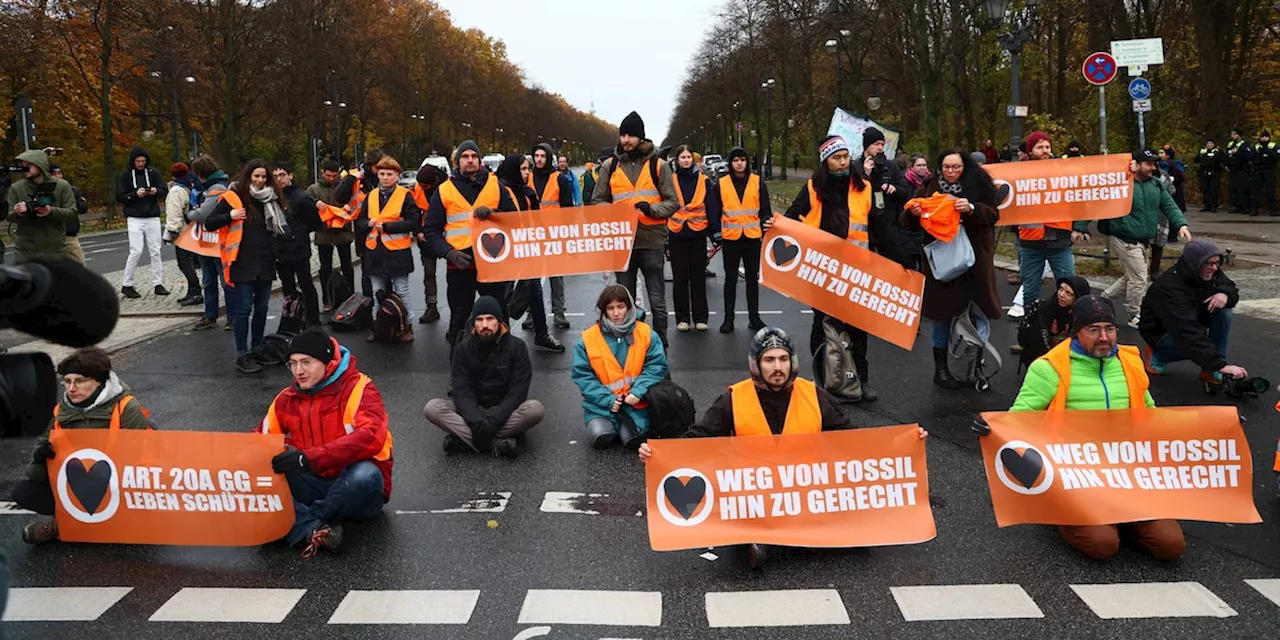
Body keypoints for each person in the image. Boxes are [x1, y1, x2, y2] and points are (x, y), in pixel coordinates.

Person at [638, 327, 926, 568]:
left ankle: (791, 537)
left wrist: (901, 444)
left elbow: (852, 441)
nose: (777, 367)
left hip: (803, 493)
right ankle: (764, 538)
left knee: (855, 538)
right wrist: (660, 455)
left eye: (783, 359)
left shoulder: (813, 394)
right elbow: (698, 439)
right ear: (756, 364)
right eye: (769, 360)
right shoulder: (733, 398)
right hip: (753, 496)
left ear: (792, 362)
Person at [1004, 295, 1184, 562]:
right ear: (1075, 332)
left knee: (1171, 546)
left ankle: (1125, 522)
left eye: (1110, 329)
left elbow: (1150, 413)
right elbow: (1018, 420)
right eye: (1094, 329)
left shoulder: (1130, 362)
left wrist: (1217, 428)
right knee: (1102, 545)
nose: (1104, 337)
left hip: (1128, 473)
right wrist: (991, 428)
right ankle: (1065, 519)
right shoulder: (1049, 368)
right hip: (1076, 477)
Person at [782, 135, 905, 401]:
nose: (843, 162)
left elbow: (881, 227)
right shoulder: (814, 189)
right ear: (826, 160)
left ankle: (863, 379)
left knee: (858, 328)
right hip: (823, 271)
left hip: (856, 272)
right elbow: (792, 219)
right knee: (822, 325)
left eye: (846, 156)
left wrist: (901, 261)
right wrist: (776, 228)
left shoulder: (864, 188)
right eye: (837, 157)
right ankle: (823, 380)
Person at [258, 329, 393, 558]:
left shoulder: (360, 388)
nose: (298, 371)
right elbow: (260, 440)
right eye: (292, 364)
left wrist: (309, 458)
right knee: (264, 470)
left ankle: (304, 523)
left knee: (365, 474)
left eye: (306, 363)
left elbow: (370, 437)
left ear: (327, 362)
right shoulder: (286, 398)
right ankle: (315, 528)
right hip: (315, 482)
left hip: (356, 490)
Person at [12, 348, 152, 545]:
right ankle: (71, 522)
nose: (71, 389)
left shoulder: (126, 408)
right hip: (79, 482)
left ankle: (74, 525)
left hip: (118, 483)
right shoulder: (60, 412)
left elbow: (138, 463)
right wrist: (40, 458)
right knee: (24, 492)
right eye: (67, 382)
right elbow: (34, 473)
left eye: (80, 381)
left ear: (100, 381)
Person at [903, 148, 1001, 389]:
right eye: (946, 167)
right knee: (942, 316)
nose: (951, 172)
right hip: (942, 264)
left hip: (974, 262)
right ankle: (941, 369)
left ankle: (972, 366)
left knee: (976, 314)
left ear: (964, 167)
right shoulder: (929, 187)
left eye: (956, 167)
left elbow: (992, 215)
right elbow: (907, 222)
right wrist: (914, 214)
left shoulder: (979, 184)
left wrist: (972, 209)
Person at [590, 111, 680, 345]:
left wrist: (651, 210)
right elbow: (597, 201)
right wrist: (614, 212)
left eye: (631, 135)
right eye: (623, 135)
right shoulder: (610, 166)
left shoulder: (658, 166)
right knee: (623, 304)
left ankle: (660, 351)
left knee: (657, 303)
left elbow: (673, 202)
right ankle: (630, 350)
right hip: (623, 244)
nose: (626, 140)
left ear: (641, 137)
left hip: (651, 242)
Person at [423, 140, 518, 346]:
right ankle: (459, 366)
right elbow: (431, 230)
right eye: (465, 157)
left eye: (473, 156)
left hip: (492, 264)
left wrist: (495, 214)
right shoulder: (444, 190)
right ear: (458, 162)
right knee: (459, 318)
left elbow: (514, 219)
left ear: (480, 160)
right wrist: (449, 253)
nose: (470, 160)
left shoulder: (495, 185)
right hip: (459, 264)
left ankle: (501, 362)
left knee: (498, 315)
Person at [424, 295, 544, 457]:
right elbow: (461, 390)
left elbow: (518, 391)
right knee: (432, 408)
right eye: (479, 320)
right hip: (473, 411)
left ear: (499, 321)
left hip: (505, 411)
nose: (485, 325)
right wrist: (476, 421)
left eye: (490, 319)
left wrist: (493, 421)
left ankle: (468, 440)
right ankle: (496, 442)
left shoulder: (517, 347)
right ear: (474, 323)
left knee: (535, 409)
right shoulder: (463, 349)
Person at [1098, 149, 1192, 329]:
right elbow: (1100, 194)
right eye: (1148, 163)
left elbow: (1169, 205)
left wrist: (1181, 224)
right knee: (1140, 277)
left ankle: (1104, 299)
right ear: (1136, 164)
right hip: (1125, 238)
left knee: (1132, 276)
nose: (1153, 167)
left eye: (1154, 163)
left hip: (1144, 240)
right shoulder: (1121, 182)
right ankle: (1134, 314)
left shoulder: (1156, 185)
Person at [204, 159, 281, 373]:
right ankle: (241, 354)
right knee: (243, 309)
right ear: (248, 176)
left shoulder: (270, 199)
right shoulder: (233, 197)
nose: (260, 180)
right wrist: (230, 215)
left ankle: (257, 348)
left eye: (264, 177)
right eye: (256, 176)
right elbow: (210, 222)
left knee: (263, 308)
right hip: (241, 262)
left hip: (265, 262)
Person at [572, 284, 668, 449]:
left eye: (620, 307)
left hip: (636, 404)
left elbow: (656, 366)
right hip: (601, 405)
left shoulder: (645, 333)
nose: (616, 313)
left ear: (629, 307)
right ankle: (613, 427)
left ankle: (626, 429)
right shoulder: (588, 339)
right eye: (610, 308)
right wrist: (607, 400)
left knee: (630, 441)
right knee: (601, 435)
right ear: (603, 310)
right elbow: (583, 376)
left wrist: (638, 391)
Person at [1139, 239, 1246, 383]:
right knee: (1193, 344)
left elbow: (1230, 287)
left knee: (1223, 310)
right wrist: (1220, 365)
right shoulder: (1169, 287)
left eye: (1217, 263)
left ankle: (1210, 369)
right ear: (1195, 263)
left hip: (1191, 318)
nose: (1214, 268)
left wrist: (1225, 294)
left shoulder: (1209, 271)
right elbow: (1187, 331)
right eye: (1209, 263)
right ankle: (1158, 355)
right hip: (1162, 331)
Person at [1009, 132, 1090, 319]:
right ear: (1030, 151)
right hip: (1031, 243)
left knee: (1070, 286)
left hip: (1060, 242)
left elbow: (1081, 198)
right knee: (1029, 290)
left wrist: (1079, 227)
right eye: (1039, 147)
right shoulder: (1016, 173)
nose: (1045, 150)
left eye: (1047, 146)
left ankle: (1068, 327)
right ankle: (1030, 332)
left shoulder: (1062, 170)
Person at [494, 153, 565, 352]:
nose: (527, 173)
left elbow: (536, 220)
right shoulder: (498, 190)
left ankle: (541, 334)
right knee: (504, 292)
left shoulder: (528, 193)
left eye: (528, 169)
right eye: (524, 169)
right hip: (505, 250)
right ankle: (503, 336)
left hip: (527, 247)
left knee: (534, 290)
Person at [354, 155, 420, 340]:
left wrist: (388, 226)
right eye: (382, 173)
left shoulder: (405, 196)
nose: (384, 177)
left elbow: (414, 222)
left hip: (398, 252)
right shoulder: (371, 196)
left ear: (397, 176)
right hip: (376, 251)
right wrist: (367, 223)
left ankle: (407, 326)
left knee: (402, 290)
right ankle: (379, 327)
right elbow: (359, 221)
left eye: (389, 174)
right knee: (377, 292)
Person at [714, 146, 771, 333]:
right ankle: (728, 319)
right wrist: (716, 233)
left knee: (752, 281)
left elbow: (765, 210)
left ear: (747, 162)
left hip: (752, 238)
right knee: (730, 280)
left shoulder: (757, 182)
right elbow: (715, 211)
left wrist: (766, 226)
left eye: (742, 160)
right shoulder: (721, 183)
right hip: (730, 239)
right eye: (736, 160)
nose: (739, 163)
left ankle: (754, 317)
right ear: (731, 163)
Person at [668, 144, 717, 332]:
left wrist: (715, 233)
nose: (686, 160)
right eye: (683, 157)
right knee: (679, 278)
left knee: (698, 277)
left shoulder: (704, 181)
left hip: (698, 233)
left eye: (689, 157)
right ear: (677, 160)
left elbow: (710, 205)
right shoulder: (670, 180)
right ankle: (682, 318)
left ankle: (700, 318)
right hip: (676, 233)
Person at [527, 143, 575, 331]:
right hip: (532, 234)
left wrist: (567, 234)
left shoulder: (560, 179)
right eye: (536, 155)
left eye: (542, 156)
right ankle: (532, 314)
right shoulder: (527, 178)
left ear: (548, 158)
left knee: (556, 277)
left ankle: (559, 314)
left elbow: (567, 208)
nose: (538, 159)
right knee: (533, 278)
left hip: (554, 235)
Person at [271, 162, 324, 328]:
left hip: (298, 249)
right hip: (280, 250)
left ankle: (314, 320)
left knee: (306, 283)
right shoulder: (272, 197)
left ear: (290, 176)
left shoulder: (300, 197)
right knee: (287, 288)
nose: (279, 179)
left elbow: (316, 223)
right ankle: (292, 317)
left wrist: (299, 232)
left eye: (282, 175)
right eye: (276, 176)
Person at [3, 149, 78, 262]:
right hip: (26, 251)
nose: (25, 168)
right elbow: (8, 215)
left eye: (29, 165)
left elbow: (72, 212)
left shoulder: (61, 185)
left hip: (55, 250)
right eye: (22, 165)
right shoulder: (16, 188)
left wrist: (50, 211)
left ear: (40, 164)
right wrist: (18, 213)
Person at [116, 146, 168, 298]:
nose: (141, 164)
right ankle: (127, 284)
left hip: (152, 216)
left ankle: (158, 283)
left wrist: (154, 191)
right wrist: (134, 195)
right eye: (138, 161)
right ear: (133, 161)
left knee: (155, 250)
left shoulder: (153, 173)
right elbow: (120, 196)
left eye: (143, 161)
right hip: (134, 217)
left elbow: (163, 189)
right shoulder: (125, 175)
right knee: (136, 251)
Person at [187, 155, 232, 330]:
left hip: (216, 242)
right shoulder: (210, 187)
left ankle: (232, 317)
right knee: (208, 280)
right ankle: (210, 315)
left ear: (201, 173)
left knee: (223, 280)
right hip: (207, 242)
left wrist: (190, 213)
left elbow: (202, 214)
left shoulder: (217, 188)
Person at [861, 128, 916, 268]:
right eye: (876, 144)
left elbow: (905, 191)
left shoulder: (891, 166)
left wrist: (895, 189)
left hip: (889, 223)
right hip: (866, 225)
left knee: (897, 264)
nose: (880, 148)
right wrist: (865, 175)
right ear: (866, 145)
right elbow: (853, 194)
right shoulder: (856, 167)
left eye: (882, 144)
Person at [309, 159, 356, 312]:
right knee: (325, 268)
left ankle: (350, 296)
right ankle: (327, 299)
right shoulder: (313, 189)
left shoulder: (345, 187)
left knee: (347, 267)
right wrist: (315, 202)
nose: (331, 178)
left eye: (334, 176)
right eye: (328, 175)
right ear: (322, 173)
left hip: (343, 233)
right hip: (323, 234)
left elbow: (356, 200)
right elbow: (305, 202)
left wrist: (350, 207)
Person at [336, 151, 384, 298]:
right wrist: (350, 179)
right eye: (378, 168)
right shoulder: (356, 178)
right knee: (367, 271)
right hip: (364, 230)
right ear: (370, 166)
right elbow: (340, 197)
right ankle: (369, 304)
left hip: (384, 230)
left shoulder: (383, 177)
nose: (382, 172)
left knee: (385, 272)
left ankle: (385, 306)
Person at [1016, 276, 1090, 365]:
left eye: (1068, 293)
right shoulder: (1046, 307)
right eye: (1060, 289)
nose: (1061, 294)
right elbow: (1042, 336)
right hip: (1041, 350)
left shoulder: (1082, 311)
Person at [164, 162, 204, 306]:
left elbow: (174, 213)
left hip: (181, 231)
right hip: (191, 229)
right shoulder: (189, 186)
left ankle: (195, 292)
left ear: (173, 175)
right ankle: (192, 291)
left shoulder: (176, 191)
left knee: (185, 264)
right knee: (189, 262)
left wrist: (172, 232)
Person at [410, 164, 444, 324]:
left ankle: (462, 308)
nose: (421, 188)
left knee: (458, 275)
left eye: (425, 185)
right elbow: (414, 212)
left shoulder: (447, 188)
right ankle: (431, 307)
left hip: (447, 237)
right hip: (426, 238)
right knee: (429, 274)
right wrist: (418, 231)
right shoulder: (418, 189)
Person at [49, 164, 88, 264]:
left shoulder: (72, 190)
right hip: (53, 235)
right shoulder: (46, 192)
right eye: (54, 174)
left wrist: (75, 201)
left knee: (79, 263)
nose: (58, 176)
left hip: (69, 234)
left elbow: (82, 208)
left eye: (59, 173)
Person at [1225, 128, 1253, 214]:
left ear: (1239, 135)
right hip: (1232, 170)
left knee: (1243, 189)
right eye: (1231, 134)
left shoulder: (1244, 144)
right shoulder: (1230, 144)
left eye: (1234, 134)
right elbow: (1227, 156)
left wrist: (1237, 153)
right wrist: (1226, 165)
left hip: (1242, 170)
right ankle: (1237, 206)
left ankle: (1246, 207)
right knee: (1233, 189)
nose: (1232, 136)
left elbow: (1249, 156)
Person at [1252, 129, 1278, 217]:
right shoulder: (1256, 146)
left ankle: (1273, 209)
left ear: (1269, 137)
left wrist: (1266, 151)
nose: (1264, 138)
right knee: (1256, 190)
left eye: (1266, 137)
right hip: (1258, 170)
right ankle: (1255, 209)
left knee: (1270, 190)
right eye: (1262, 137)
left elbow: (1275, 157)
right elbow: (1252, 157)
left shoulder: (1273, 146)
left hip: (1269, 170)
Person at [1195, 140, 1222, 212]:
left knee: (1213, 190)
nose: (1209, 145)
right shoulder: (1203, 151)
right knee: (1205, 189)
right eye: (1208, 143)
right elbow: (1196, 160)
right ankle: (1207, 205)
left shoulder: (1217, 151)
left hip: (1214, 173)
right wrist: (1200, 154)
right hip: (1204, 173)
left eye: (1211, 143)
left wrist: (1216, 154)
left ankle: (1214, 206)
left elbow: (1221, 160)